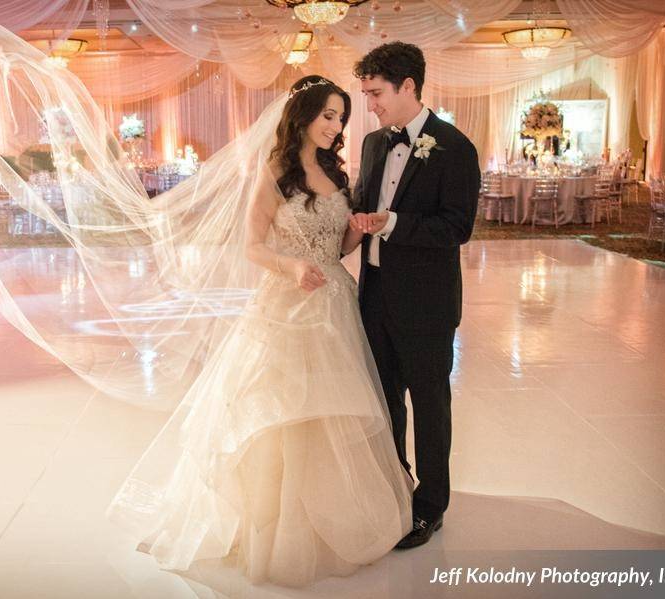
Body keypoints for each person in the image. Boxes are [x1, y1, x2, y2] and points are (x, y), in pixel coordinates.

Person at [106, 75, 413, 587]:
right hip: (287, 305)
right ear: (303, 116)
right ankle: (275, 527)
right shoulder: (274, 172)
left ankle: (328, 516)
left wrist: (355, 235)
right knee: (283, 410)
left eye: (341, 118)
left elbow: (335, 249)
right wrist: (291, 269)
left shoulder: (338, 175)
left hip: (334, 302)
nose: (335, 127)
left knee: (329, 409)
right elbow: (252, 245)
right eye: (328, 116)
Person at [349, 42, 481, 549]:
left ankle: (430, 507)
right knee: (384, 403)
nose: (372, 104)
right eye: (366, 94)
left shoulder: (455, 147)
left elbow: (457, 228)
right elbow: (363, 206)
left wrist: (395, 223)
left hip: (427, 305)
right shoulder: (373, 143)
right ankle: (394, 487)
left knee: (429, 408)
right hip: (375, 295)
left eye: (376, 93)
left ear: (408, 86)